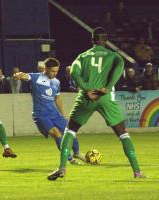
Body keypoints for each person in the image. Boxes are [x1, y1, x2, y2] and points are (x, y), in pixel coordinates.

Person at [48, 27, 145, 181]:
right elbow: (120, 67)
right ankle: (137, 172)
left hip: (86, 98)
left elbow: (73, 72)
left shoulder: (82, 56)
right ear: (105, 40)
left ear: (92, 40)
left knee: (70, 131)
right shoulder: (114, 56)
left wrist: (86, 89)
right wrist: (107, 87)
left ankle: (62, 168)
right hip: (105, 98)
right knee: (123, 133)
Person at [14, 58, 86, 165]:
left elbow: (57, 99)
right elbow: (25, 75)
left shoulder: (56, 82)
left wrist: (62, 115)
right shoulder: (36, 77)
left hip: (54, 114)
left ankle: (77, 153)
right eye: (53, 71)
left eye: (57, 71)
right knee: (57, 134)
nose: (55, 73)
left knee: (71, 131)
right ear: (46, 69)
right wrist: (19, 74)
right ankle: (70, 159)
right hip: (40, 115)